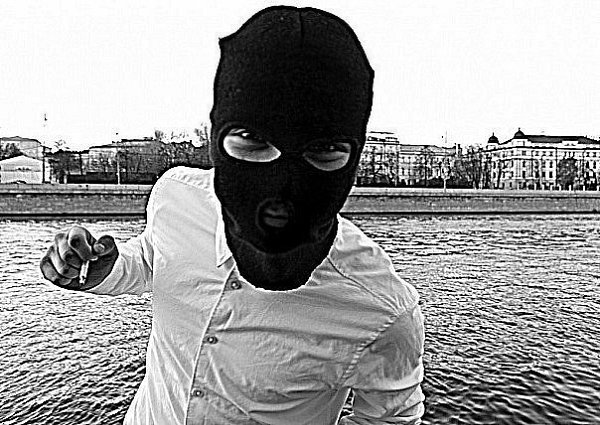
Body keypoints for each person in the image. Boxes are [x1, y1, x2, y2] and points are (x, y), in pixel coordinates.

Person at [40, 6, 425, 424]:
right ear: (214, 137)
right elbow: (154, 260)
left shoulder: (381, 311)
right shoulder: (177, 198)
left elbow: (390, 419)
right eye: (250, 139)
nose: (280, 189)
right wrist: (108, 270)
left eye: (324, 149)